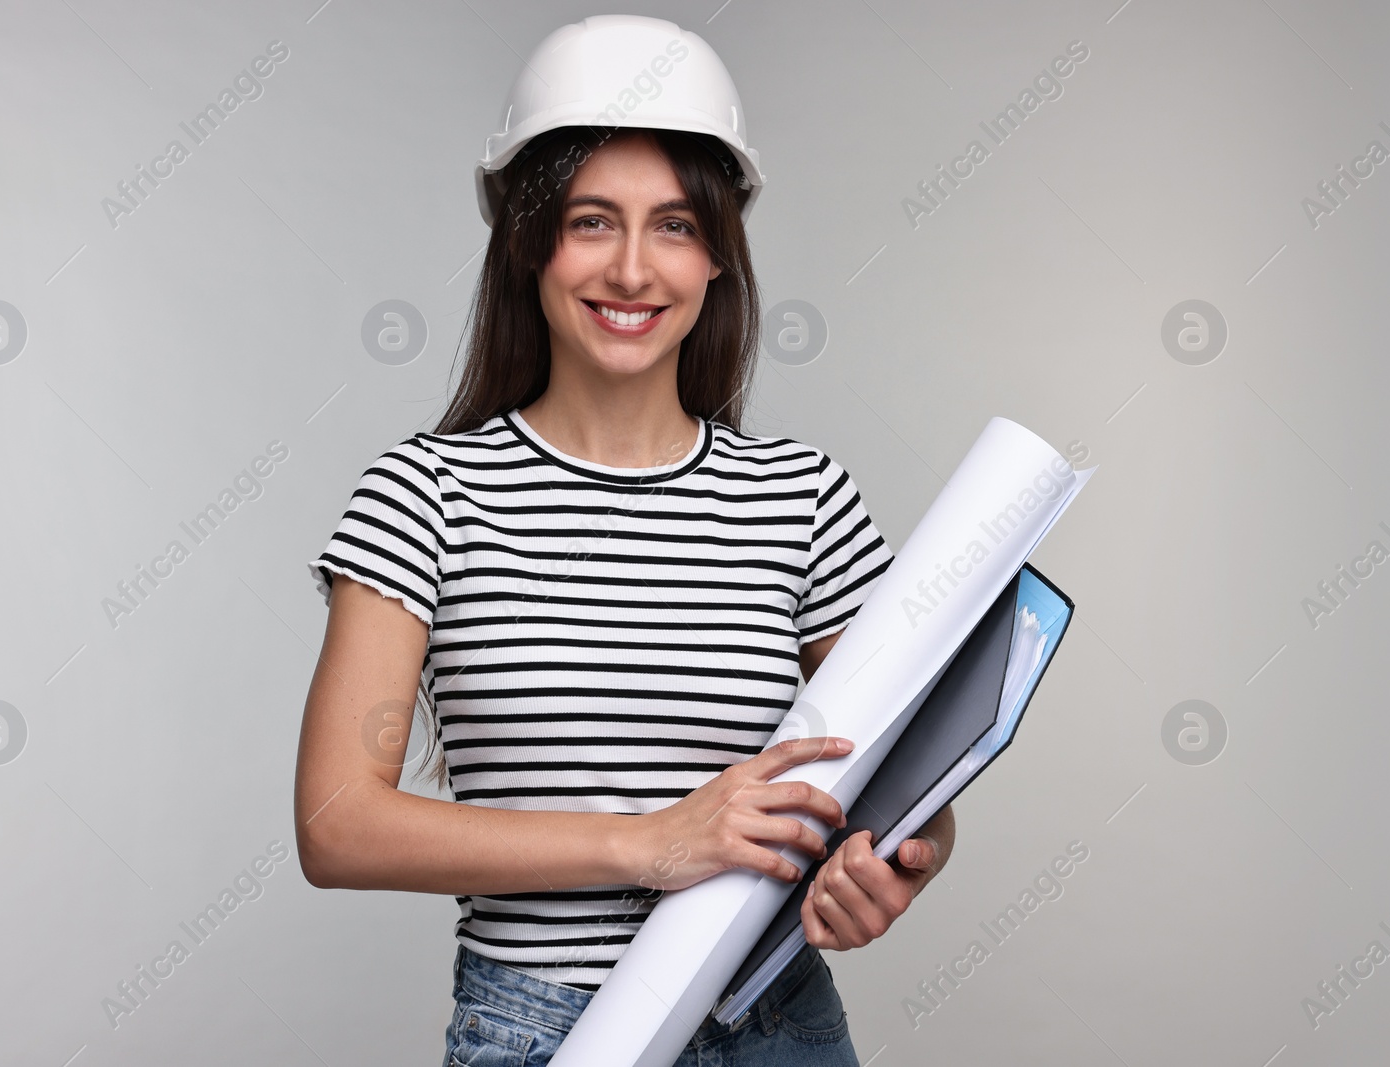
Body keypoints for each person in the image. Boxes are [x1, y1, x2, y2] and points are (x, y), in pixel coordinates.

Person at [293, 15, 955, 1066]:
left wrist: (890, 865)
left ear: (718, 260)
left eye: (677, 226)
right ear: (528, 240)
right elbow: (336, 823)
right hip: (548, 1027)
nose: (635, 269)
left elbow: (907, 774)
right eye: (593, 220)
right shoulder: (425, 495)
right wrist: (646, 844)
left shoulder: (805, 495)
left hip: (777, 1020)